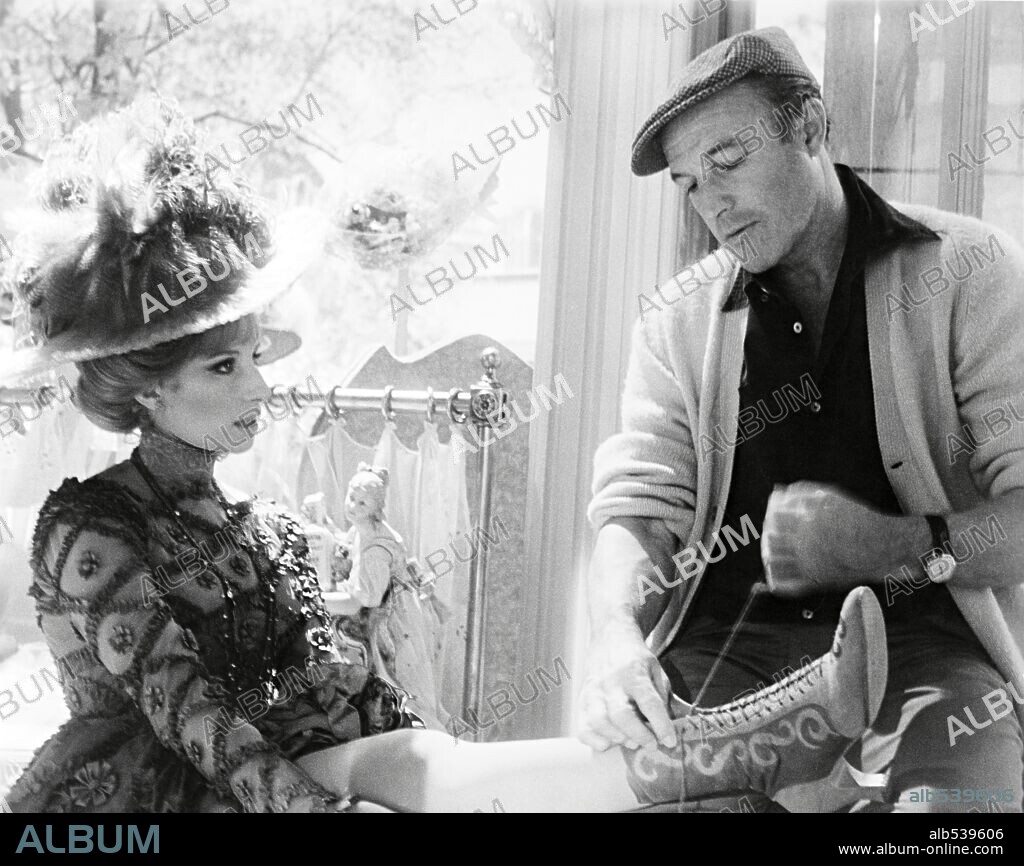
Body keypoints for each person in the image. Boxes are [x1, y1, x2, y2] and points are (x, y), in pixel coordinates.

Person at [2, 96, 885, 814]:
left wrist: (441, 763)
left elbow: (335, 686)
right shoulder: (89, 530)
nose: (261, 389)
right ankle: (766, 736)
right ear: (146, 388)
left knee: (438, 763)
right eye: (224, 367)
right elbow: (192, 720)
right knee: (422, 768)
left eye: (255, 360)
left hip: (306, 766)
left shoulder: (254, 523)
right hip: (155, 797)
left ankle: (758, 739)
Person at [582, 26, 1024, 813]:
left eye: (727, 161)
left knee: (962, 826)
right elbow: (637, 513)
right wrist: (615, 635)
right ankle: (774, 740)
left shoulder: (972, 270)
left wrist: (898, 548)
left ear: (812, 127)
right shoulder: (674, 324)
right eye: (688, 183)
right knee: (631, 789)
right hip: (732, 651)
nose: (711, 201)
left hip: (928, 649)